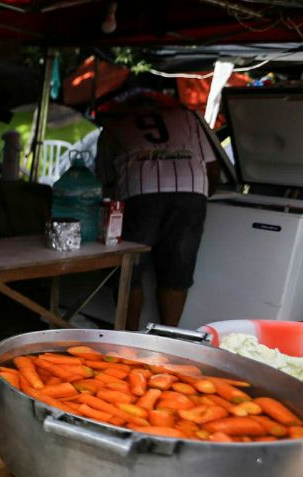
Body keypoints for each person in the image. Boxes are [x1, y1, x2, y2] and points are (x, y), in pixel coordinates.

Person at [94, 88, 220, 329]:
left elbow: (106, 180)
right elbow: (213, 169)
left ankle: (128, 335)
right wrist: (202, 197)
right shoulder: (187, 117)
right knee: (177, 269)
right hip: (190, 188)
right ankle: (169, 335)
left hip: (138, 190)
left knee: (129, 269)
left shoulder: (115, 126)